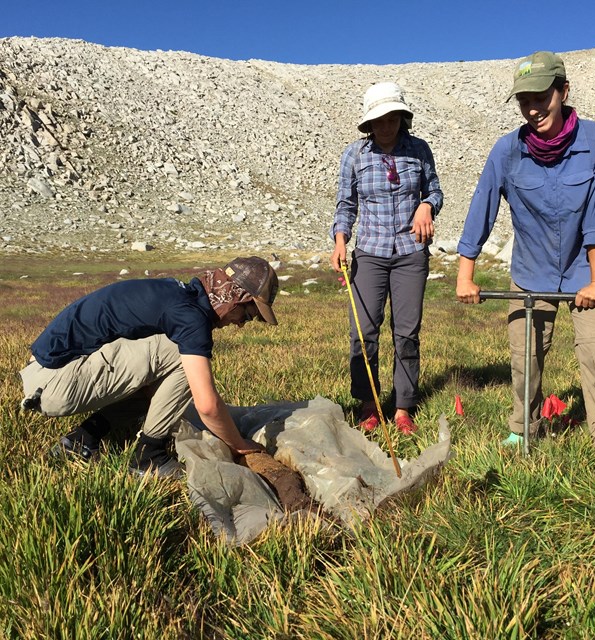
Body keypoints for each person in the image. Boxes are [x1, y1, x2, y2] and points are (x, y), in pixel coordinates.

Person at [456, 51, 595, 505]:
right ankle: (524, 429)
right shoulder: (507, 150)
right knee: (526, 357)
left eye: (541, 97)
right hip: (530, 271)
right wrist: (466, 272)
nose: (533, 108)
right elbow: (483, 205)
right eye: (524, 100)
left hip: (584, 269)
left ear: (564, 92)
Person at [20, 256, 279, 478]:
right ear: (235, 297)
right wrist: (239, 444)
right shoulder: (190, 318)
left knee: (167, 368)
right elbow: (207, 406)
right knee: (180, 355)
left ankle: (82, 439)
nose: (241, 324)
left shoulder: (176, 294)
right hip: (54, 385)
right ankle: (149, 456)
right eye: (246, 315)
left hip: (48, 375)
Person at [330, 81, 443, 433]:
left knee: (406, 332)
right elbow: (346, 205)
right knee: (363, 332)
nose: (386, 125)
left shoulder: (420, 150)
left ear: (401, 117)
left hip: (411, 253)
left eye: (392, 117)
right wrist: (339, 241)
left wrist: (427, 206)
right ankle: (369, 403)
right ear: (368, 122)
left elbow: (436, 190)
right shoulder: (355, 155)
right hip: (370, 253)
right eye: (379, 119)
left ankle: (404, 406)